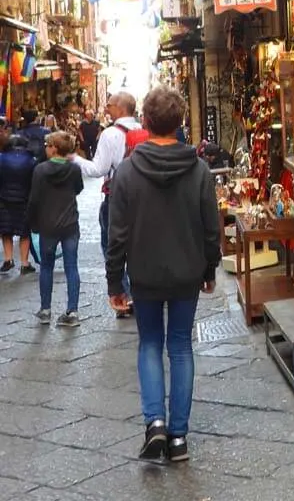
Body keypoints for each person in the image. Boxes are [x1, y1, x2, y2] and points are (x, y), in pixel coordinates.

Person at [106, 87, 220, 463]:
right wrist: (209, 267)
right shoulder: (200, 171)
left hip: (145, 274)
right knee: (181, 347)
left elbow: (117, 233)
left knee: (150, 344)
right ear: (180, 122)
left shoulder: (127, 171)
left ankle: (155, 422)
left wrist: (114, 282)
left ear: (147, 122)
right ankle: (178, 439)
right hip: (187, 271)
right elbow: (210, 226)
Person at [74, 91, 146, 315]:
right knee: (138, 244)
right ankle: (141, 292)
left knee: (112, 244)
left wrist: (74, 159)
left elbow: (99, 169)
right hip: (143, 196)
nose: (106, 108)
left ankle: (123, 293)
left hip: (117, 196)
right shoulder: (144, 131)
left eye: (110, 105)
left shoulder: (110, 134)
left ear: (121, 109)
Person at [28, 131, 84, 326]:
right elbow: (78, 188)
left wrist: (32, 222)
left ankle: (45, 309)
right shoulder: (74, 169)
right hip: (69, 223)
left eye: (47, 144)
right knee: (71, 266)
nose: (45, 147)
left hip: (47, 223)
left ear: (54, 148)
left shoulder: (40, 170)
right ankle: (73, 311)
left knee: (46, 266)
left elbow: (34, 199)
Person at [0, 132, 36, 274]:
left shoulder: (1, 159)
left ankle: (8, 259)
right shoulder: (31, 160)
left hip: (4, 199)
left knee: (6, 230)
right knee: (24, 232)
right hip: (25, 200)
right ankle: (24, 263)